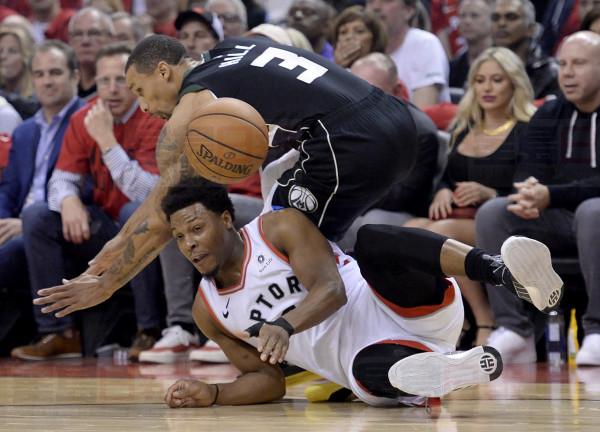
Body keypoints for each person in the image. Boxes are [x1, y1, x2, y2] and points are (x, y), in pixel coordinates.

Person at [30, 34, 419, 338]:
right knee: (293, 220)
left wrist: (108, 282)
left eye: (139, 90)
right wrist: (113, 248)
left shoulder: (193, 109)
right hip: (395, 119)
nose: (143, 106)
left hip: (347, 140)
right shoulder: (233, 49)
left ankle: (381, 337)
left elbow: (168, 212)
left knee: (280, 245)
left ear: (163, 72)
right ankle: (378, 328)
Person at [124, 177, 561, 407]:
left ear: (225, 219)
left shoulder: (276, 226)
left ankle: (506, 273)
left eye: (197, 229)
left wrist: (284, 324)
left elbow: (331, 288)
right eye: (180, 239)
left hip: (399, 302)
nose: (190, 244)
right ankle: (448, 371)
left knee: (374, 239)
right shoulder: (207, 310)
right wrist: (214, 394)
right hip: (380, 358)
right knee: (366, 372)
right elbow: (267, 380)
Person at [11, 43, 165, 361]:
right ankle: (59, 332)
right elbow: (62, 179)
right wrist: (68, 201)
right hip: (103, 226)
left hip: (149, 226)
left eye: (120, 80)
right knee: (38, 216)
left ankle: (148, 330)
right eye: (103, 81)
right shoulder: (86, 116)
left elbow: (148, 194)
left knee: (133, 212)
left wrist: (107, 142)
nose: (111, 90)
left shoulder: (154, 116)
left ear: (137, 81)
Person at [475, 31, 600, 365]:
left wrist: (551, 195)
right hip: (557, 218)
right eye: (562, 64)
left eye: (579, 64)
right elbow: (528, 171)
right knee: (494, 212)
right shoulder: (549, 114)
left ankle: (597, 329)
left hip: (592, 217)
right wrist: (528, 194)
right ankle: (514, 329)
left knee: (593, 211)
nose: (568, 72)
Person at [405, 47, 537, 346]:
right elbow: (448, 176)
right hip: (461, 215)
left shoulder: (528, 130)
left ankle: (484, 319)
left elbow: (534, 182)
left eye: (497, 80)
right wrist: (441, 191)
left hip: (507, 219)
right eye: (479, 80)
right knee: (410, 230)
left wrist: (491, 193)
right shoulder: (464, 127)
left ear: (514, 83)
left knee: (441, 235)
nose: (487, 88)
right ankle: (451, 316)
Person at [0, 41, 83, 349]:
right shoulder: (24, 131)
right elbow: (8, 188)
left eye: (55, 72)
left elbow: (88, 187)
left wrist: (23, 225)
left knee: (26, 231)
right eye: (40, 74)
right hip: (16, 225)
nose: (47, 81)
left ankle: (58, 332)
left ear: (74, 76)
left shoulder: (87, 119)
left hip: (60, 224)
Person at [337, 52, 438, 252]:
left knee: (370, 223)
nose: (361, 101)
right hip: (359, 202)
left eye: (372, 93)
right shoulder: (346, 121)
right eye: (356, 91)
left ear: (398, 90)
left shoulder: (421, 131)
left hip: (401, 212)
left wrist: (351, 194)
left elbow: (405, 195)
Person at [366, 0, 450, 109]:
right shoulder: (360, 46)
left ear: (408, 10)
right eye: (370, 1)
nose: (376, 7)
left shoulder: (425, 44)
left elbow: (422, 114)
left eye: (386, 1)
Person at [491, 0, 560, 99]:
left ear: (531, 29)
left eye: (511, 17)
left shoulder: (551, 73)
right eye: (495, 18)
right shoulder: (482, 68)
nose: (501, 23)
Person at [68, 7, 115, 100]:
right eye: (78, 34)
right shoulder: (63, 90)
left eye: (94, 33)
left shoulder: (123, 88)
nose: (85, 41)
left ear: (112, 39)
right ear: (70, 41)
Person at [449, 0, 493, 90]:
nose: (467, 21)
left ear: (491, 21)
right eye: (462, 16)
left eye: (474, 15)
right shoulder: (454, 66)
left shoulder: (505, 61)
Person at [0, 25, 38, 119]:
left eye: (12, 51)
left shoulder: (39, 92)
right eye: (0, 51)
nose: (3, 57)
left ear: (26, 57)